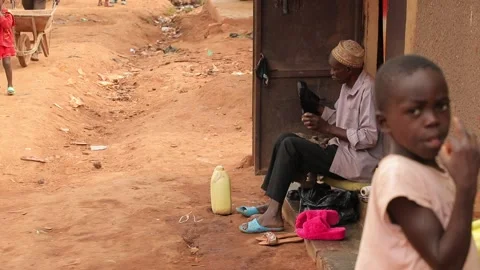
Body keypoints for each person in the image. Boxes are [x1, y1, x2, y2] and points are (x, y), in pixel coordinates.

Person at [237, 40, 383, 233]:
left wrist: (327, 128)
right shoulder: (348, 84)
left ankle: (273, 216)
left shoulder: (369, 90)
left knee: (291, 146)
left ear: (349, 69)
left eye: (335, 69)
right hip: (342, 150)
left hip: (358, 161)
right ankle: (272, 204)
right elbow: (339, 118)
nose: (331, 73)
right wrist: (318, 109)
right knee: (284, 138)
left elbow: (369, 137)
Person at [356, 55, 480, 269]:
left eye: (441, 106)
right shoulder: (397, 173)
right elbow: (444, 262)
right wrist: (466, 187)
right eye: (414, 111)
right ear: (384, 123)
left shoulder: (435, 167)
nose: (432, 119)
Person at [0, 0, 15, 95]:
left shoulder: (7, 14)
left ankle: (10, 85)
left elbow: (7, 25)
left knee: (6, 62)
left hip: (5, 42)